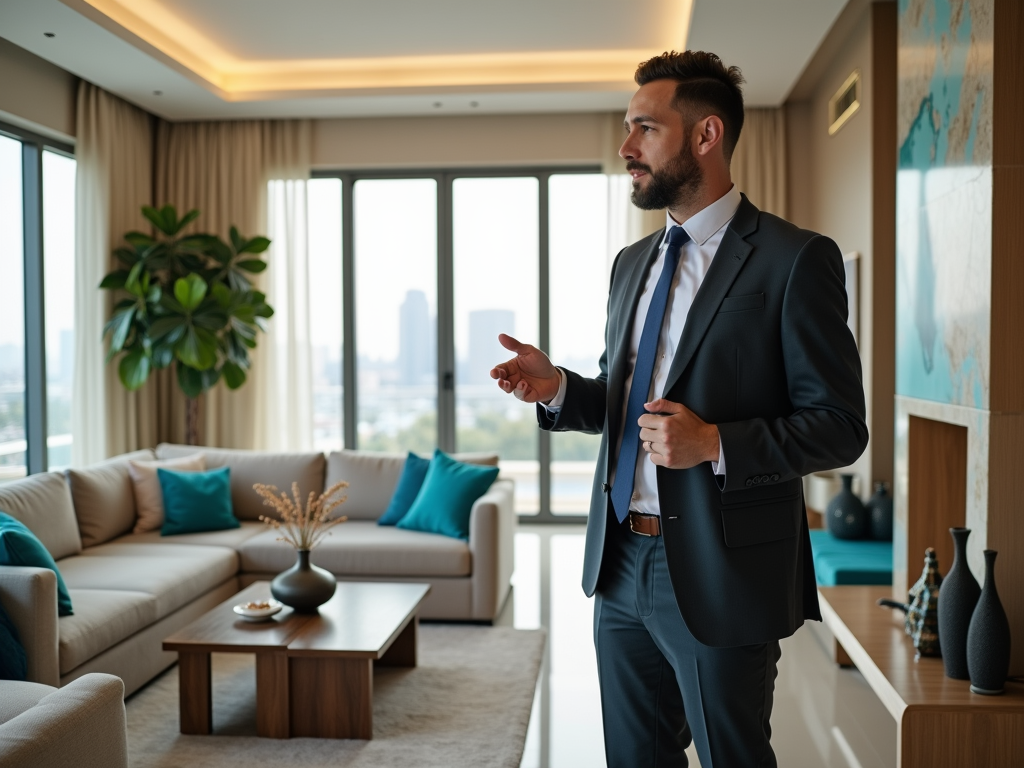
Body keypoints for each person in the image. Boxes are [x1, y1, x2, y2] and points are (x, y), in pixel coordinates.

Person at [490, 50, 868, 767]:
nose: (627, 147)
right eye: (627, 129)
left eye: (644, 128)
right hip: (620, 563)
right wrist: (560, 389)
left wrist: (715, 443)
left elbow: (841, 428)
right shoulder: (631, 265)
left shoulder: (794, 260)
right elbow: (627, 402)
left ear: (705, 135)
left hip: (725, 570)